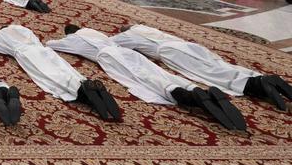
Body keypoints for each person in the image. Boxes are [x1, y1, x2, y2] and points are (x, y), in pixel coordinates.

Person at [48, 25, 246, 130]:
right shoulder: (97, 33)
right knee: (158, 71)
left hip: (111, 57)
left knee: (144, 78)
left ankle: (183, 95)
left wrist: (63, 39)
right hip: (128, 53)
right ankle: (194, 88)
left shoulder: (74, 39)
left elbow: (51, 44)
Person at [112, 24, 292, 110]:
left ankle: (255, 85)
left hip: (171, 52)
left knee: (210, 72)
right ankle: (259, 79)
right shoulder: (143, 28)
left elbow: (109, 44)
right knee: (218, 64)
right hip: (188, 46)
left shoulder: (127, 35)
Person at [0, 25, 121, 121]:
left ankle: (82, 92)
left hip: (27, 54)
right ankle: (85, 83)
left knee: (51, 77)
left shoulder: (1, 35)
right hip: (44, 50)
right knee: (65, 70)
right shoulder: (22, 29)